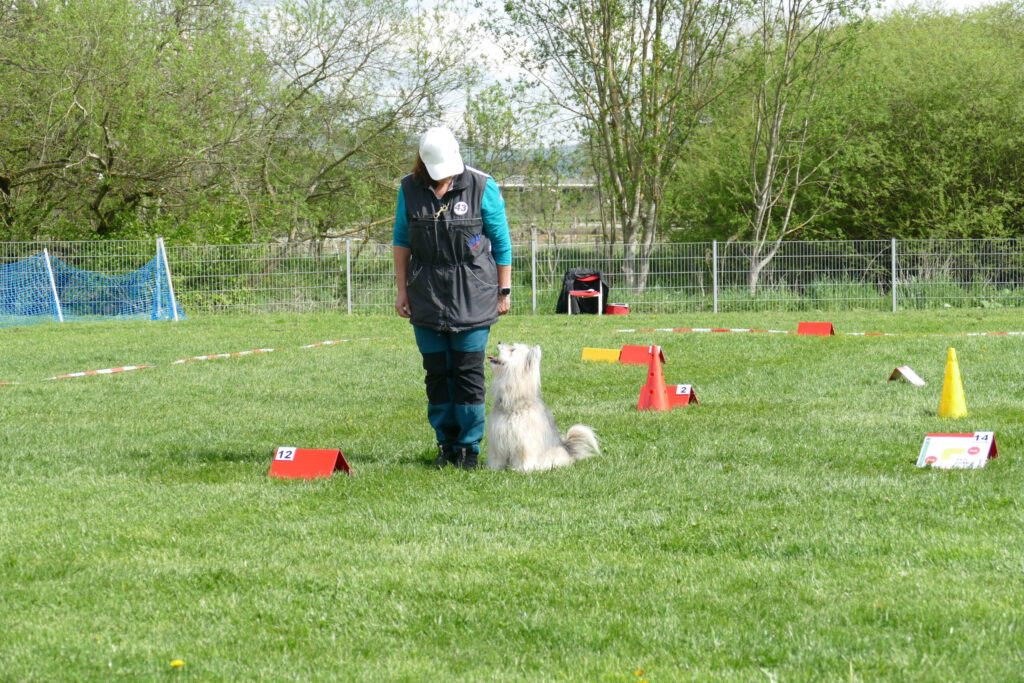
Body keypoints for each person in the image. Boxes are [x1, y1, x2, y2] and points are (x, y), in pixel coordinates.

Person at [393, 126, 513, 469]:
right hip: (426, 293)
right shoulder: (409, 188)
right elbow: (401, 240)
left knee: (467, 373)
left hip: (473, 294)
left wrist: (504, 290)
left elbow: (501, 242)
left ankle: (468, 448)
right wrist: (402, 289)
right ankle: (445, 444)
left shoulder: (482, 186)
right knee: (436, 372)